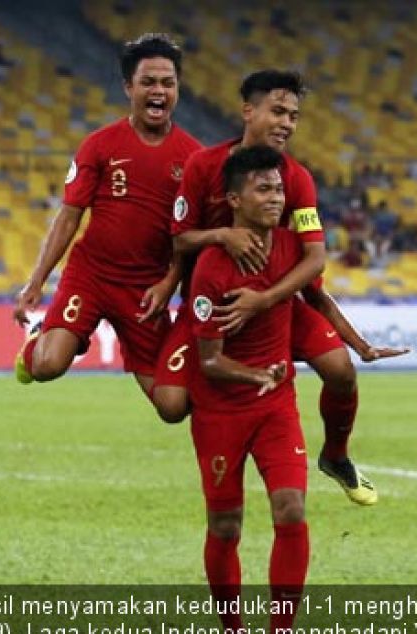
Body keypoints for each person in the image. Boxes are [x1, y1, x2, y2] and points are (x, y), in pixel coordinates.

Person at [156, 69, 406, 505]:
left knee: (341, 371)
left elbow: (313, 258)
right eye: (278, 111)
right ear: (248, 111)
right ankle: (225, 413)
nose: (287, 123)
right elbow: (180, 240)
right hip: (213, 306)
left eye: (293, 115)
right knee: (173, 406)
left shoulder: (297, 179)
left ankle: (336, 455)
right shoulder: (203, 166)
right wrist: (222, 236)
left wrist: (267, 300)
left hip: (274, 305)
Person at [13, 33, 202, 399]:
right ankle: (37, 345)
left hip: (146, 289)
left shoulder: (195, 158)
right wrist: (36, 281)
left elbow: (188, 238)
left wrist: (168, 285)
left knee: (173, 405)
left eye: (168, 82)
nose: (158, 91)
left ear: (178, 88)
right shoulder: (99, 145)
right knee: (48, 366)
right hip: (92, 276)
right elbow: (69, 217)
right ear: (128, 87)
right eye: (148, 82)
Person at [188, 146, 306, 634]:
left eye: (278, 188)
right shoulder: (211, 270)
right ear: (234, 199)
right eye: (264, 189)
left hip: (277, 404)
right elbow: (210, 360)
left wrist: (355, 344)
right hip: (222, 410)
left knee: (291, 507)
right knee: (226, 525)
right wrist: (255, 375)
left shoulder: (290, 246)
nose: (276, 198)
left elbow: (316, 276)